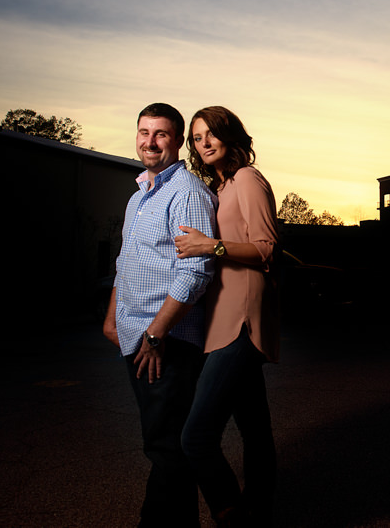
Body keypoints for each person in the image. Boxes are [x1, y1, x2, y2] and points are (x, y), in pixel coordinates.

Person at [103, 102, 217, 528]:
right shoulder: (139, 198)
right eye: (144, 132)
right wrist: (111, 318)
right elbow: (125, 260)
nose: (150, 142)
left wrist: (155, 335)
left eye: (161, 134)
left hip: (166, 341)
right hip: (137, 336)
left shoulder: (186, 192)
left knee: (166, 446)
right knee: (165, 444)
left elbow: (196, 270)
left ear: (177, 139)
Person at [175, 106, 280, 528]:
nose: (203, 143)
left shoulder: (248, 180)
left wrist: (211, 246)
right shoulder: (220, 188)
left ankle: (233, 515)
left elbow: (267, 249)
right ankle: (258, 510)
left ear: (230, 134)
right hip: (220, 321)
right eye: (197, 137)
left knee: (196, 437)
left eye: (211, 134)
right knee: (255, 428)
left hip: (242, 320)